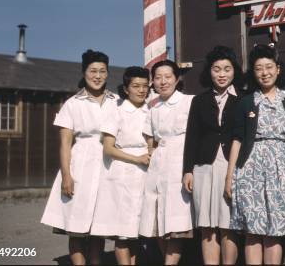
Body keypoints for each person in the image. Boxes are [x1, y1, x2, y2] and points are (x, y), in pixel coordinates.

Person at [225, 44, 285, 266]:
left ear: (278, 69)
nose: (264, 73)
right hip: (251, 167)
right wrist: (230, 176)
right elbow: (237, 139)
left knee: (274, 229)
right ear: (253, 73)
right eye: (259, 68)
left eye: (269, 67)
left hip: (281, 168)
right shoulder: (246, 101)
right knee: (253, 228)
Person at [41, 49, 118, 265]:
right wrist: (67, 175)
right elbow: (65, 144)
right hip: (80, 165)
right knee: (76, 225)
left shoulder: (117, 101)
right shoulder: (73, 103)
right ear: (84, 72)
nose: (98, 76)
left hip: (108, 165)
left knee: (97, 225)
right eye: (93, 71)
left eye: (103, 71)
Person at [182, 46, 243, 265]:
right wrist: (188, 170)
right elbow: (192, 137)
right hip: (203, 167)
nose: (222, 74)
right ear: (209, 72)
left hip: (230, 167)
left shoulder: (243, 100)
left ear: (234, 71)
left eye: (227, 69)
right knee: (207, 226)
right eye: (216, 69)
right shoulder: (199, 101)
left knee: (227, 225)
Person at [91, 66, 151, 265]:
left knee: (135, 230)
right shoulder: (116, 112)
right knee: (122, 232)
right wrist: (137, 159)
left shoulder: (150, 111)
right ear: (126, 89)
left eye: (144, 86)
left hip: (145, 173)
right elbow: (108, 149)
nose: (141, 90)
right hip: (122, 173)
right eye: (136, 86)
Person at [138, 60, 194, 265]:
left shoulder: (189, 101)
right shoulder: (153, 107)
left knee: (176, 221)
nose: (163, 82)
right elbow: (149, 140)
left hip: (180, 161)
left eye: (167, 77)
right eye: (158, 77)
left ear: (177, 78)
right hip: (158, 165)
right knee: (158, 221)